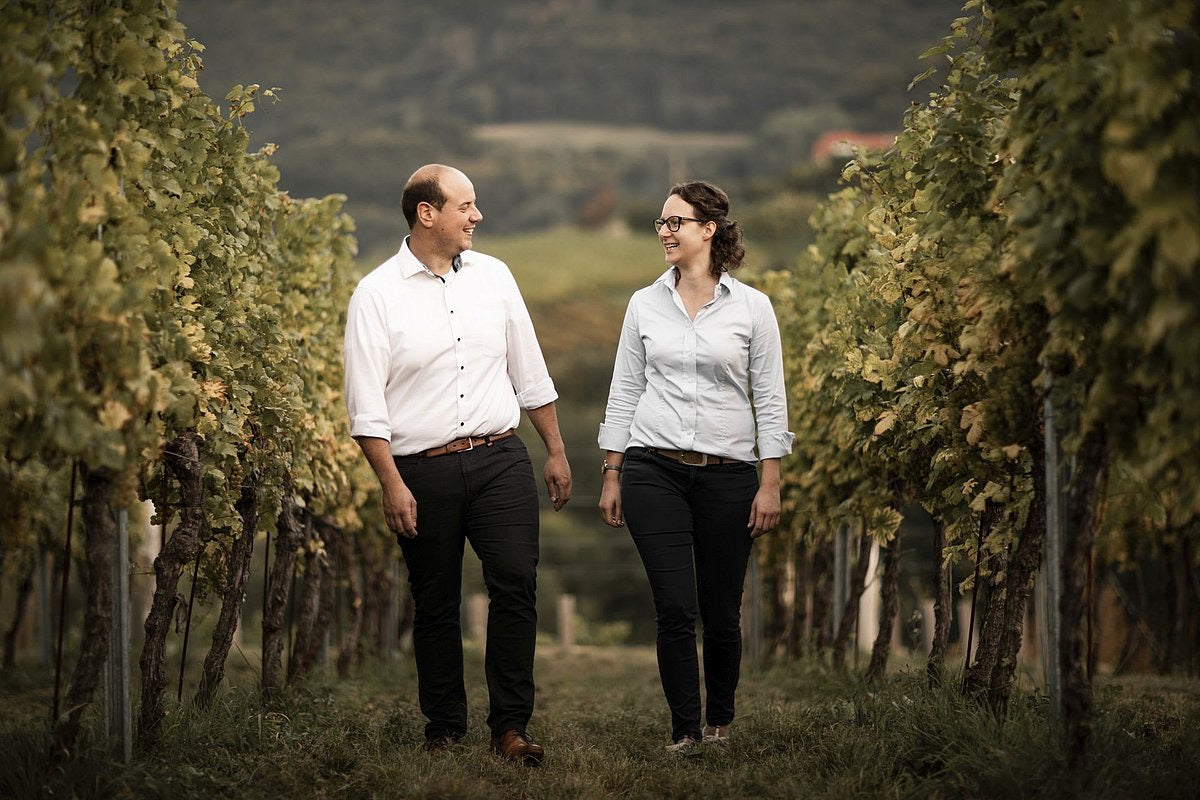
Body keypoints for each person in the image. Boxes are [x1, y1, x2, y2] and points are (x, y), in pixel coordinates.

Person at [344, 164, 572, 766]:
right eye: (465, 205)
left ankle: (511, 728)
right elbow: (366, 409)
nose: (477, 216)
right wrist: (391, 484)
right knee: (437, 600)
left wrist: (554, 449)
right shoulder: (375, 295)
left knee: (515, 585)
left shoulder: (495, 277)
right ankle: (444, 726)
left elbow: (530, 372)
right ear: (427, 213)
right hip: (421, 470)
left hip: (501, 458)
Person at [597, 180, 793, 753]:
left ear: (709, 229)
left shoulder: (753, 308)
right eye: (661, 221)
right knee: (675, 607)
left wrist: (770, 481)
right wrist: (613, 470)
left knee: (721, 611)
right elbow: (625, 389)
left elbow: (771, 398)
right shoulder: (643, 304)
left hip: (729, 475)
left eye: (675, 221)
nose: (664, 230)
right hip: (652, 468)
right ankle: (685, 731)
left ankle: (720, 724)